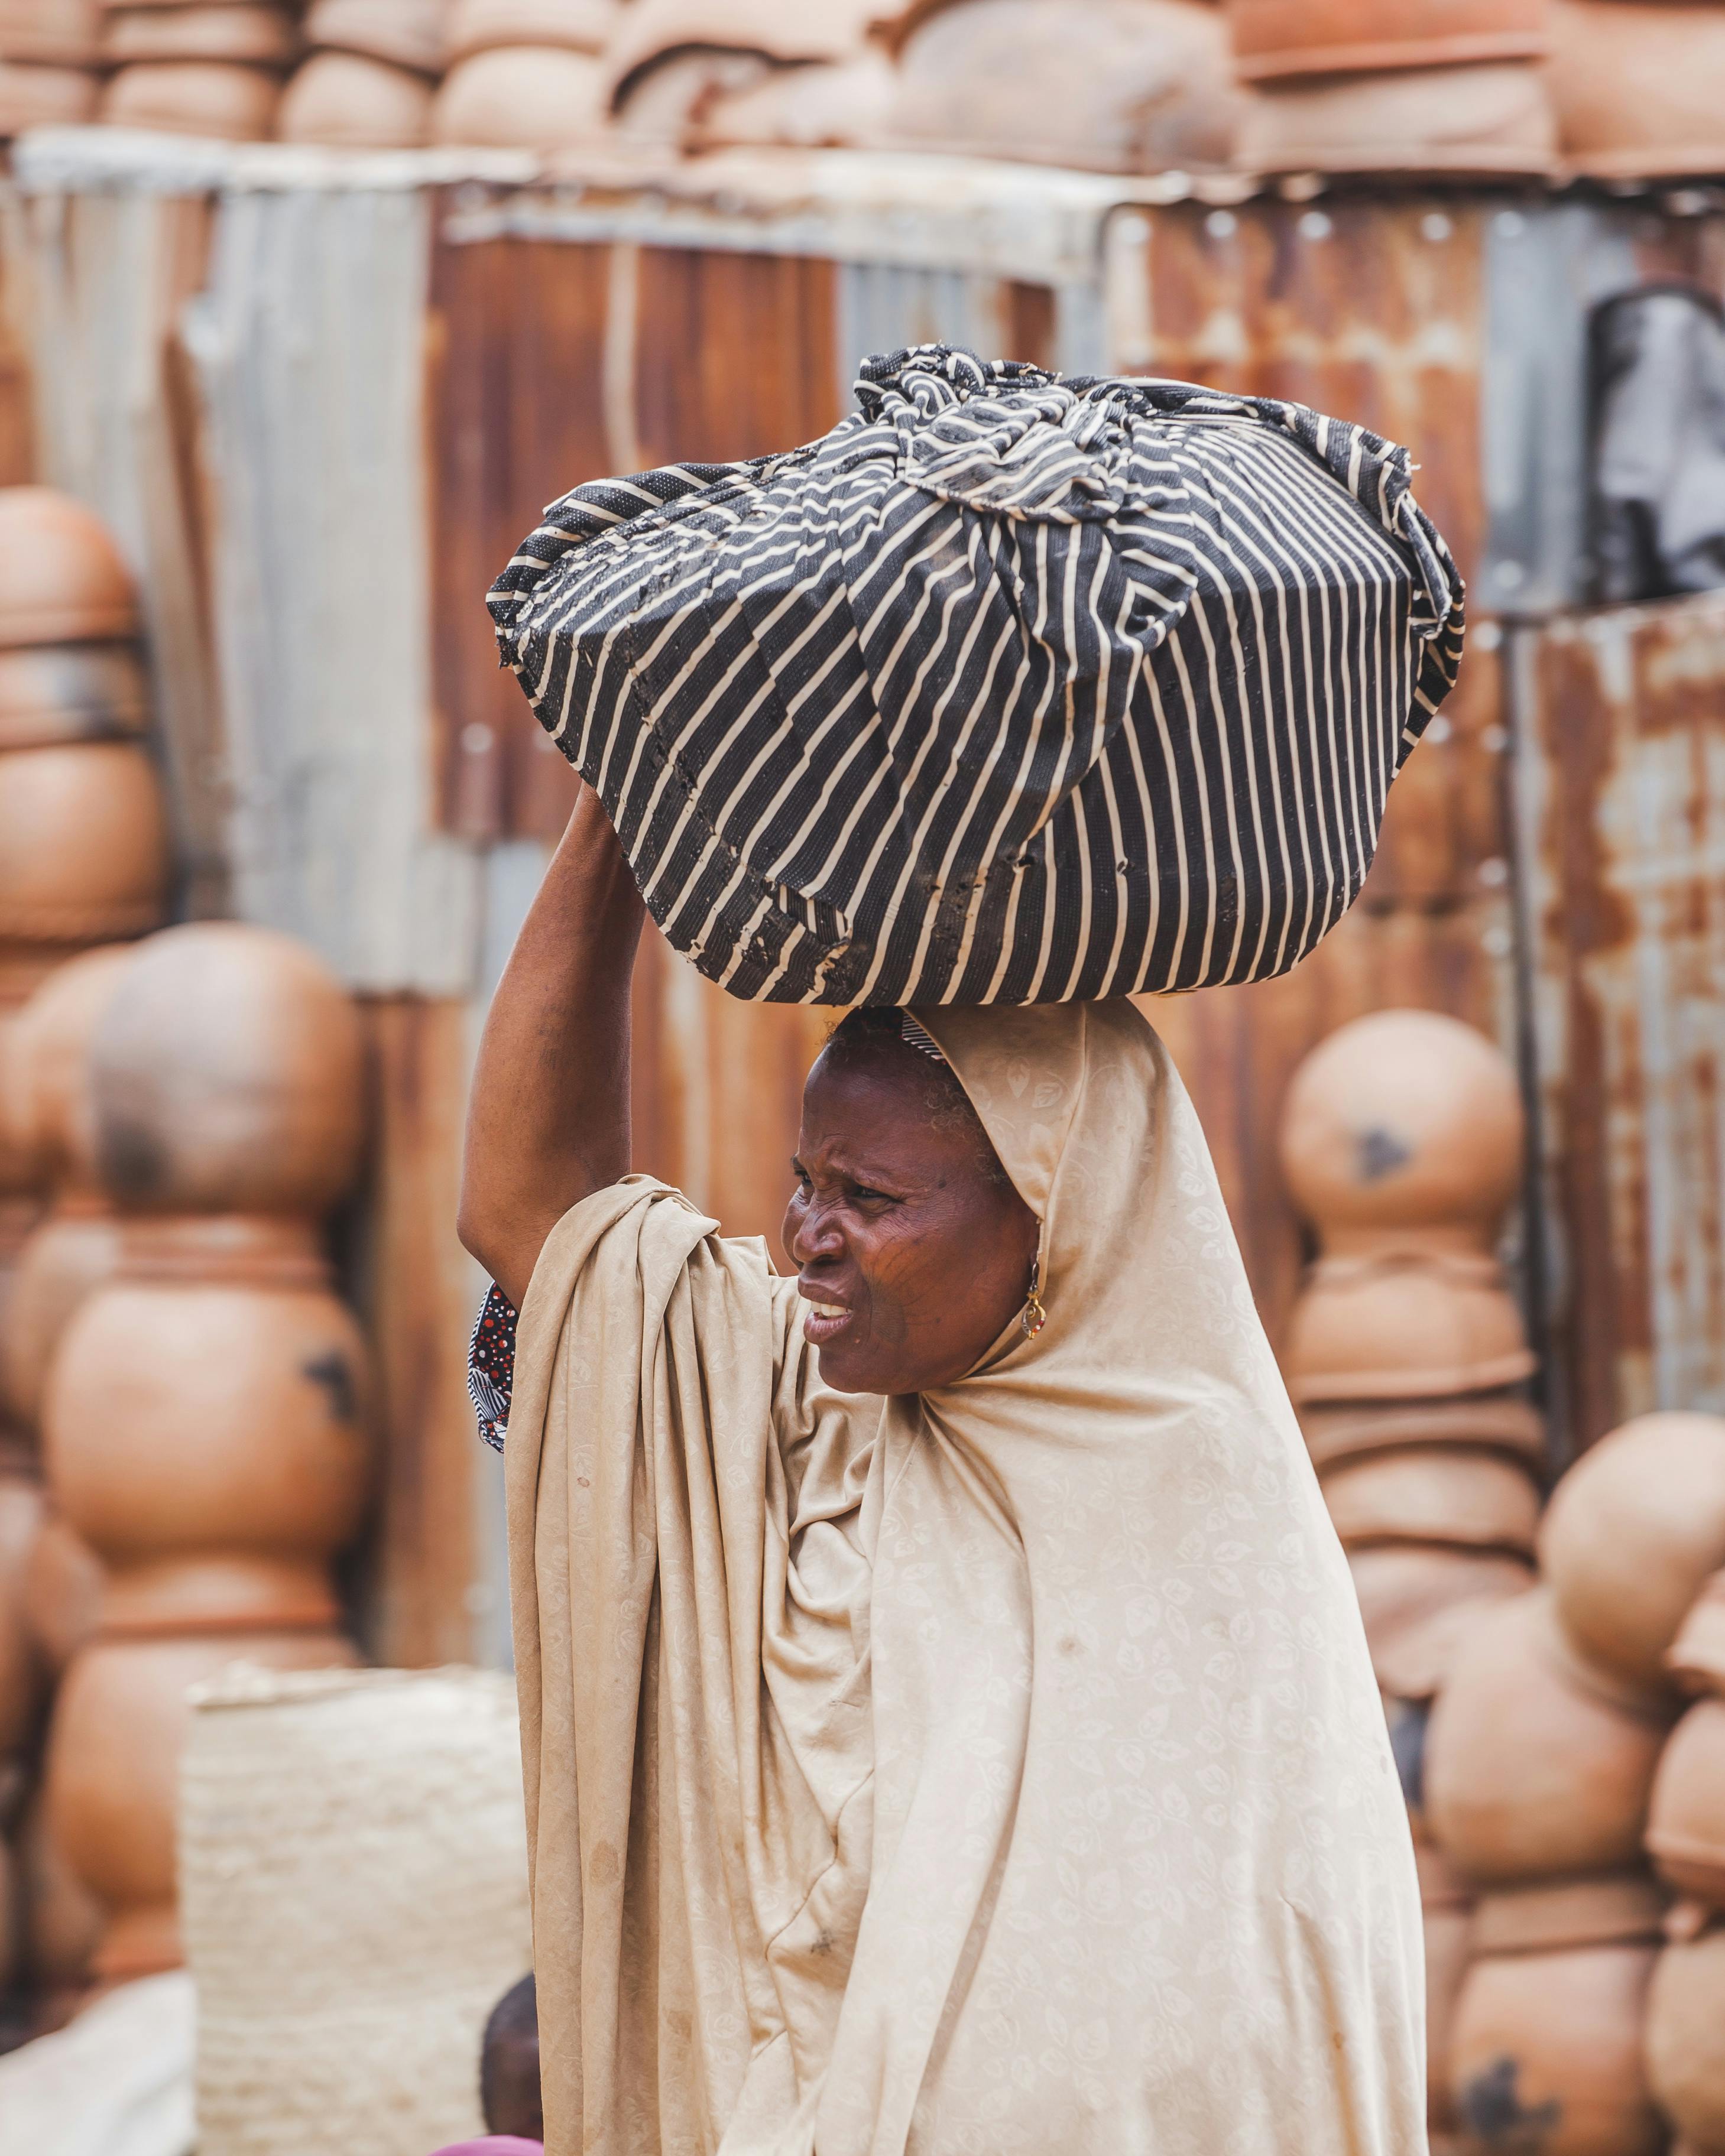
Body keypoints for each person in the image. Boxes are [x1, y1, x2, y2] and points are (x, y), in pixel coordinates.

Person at [458, 784, 1426, 2156]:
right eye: (803, 1181)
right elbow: (528, 1223)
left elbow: (1222, 2023)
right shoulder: (803, 1390)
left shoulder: (1203, 1515)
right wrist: (623, 800)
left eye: (873, 1199)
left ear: (1058, 1219)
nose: (807, 1235)